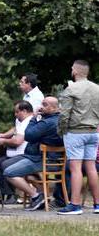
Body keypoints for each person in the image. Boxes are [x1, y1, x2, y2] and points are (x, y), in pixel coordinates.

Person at [3, 96, 63, 211]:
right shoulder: (61, 120)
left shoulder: (47, 123)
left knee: (9, 172)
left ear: (54, 108)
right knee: (28, 175)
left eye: (45, 105)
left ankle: (36, 196)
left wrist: (34, 118)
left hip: (41, 160)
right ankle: (43, 196)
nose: (41, 107)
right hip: (57, 161)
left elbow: (29, 135)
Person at [57, 60, 99, 215]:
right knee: (91, 167)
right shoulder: (97, 89)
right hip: (93, 132)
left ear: (74, 71)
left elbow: (64, 114)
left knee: (75, 168)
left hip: (75, 132)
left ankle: (75, 205)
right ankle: (97, 204)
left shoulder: (71, 89)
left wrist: (61, 131)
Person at [0, 100, 33, 204]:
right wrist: (4, 135)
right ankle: (5, 195)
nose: (15, 114)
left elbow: (17, 141)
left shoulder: (28, 122)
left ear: (24, 111)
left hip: (25, 155)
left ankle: (11, 195)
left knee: (2, 164)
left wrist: (3, 141)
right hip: (18, 154)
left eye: (17, 112)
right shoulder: (22, 121)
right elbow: (15, 129)